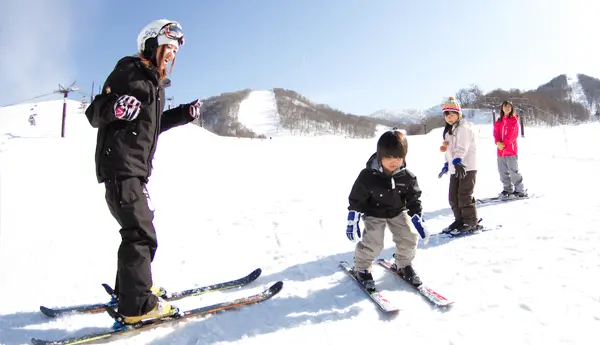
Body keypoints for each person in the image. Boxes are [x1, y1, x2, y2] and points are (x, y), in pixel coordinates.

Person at [84, 19, 202, 324]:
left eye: (175, 51)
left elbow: (153, 125)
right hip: (121, 167)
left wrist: (184, 114)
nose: (171, 55)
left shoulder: (152, 83)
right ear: (151, 44)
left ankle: (129, 291)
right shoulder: (130, 70)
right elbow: (94, 111)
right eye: (167, 48)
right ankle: (136, 306)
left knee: (137, 231)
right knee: (141, 234)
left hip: (132, 170)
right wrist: (115, 107)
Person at [346, 130, 428, 291]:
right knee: (374, 243)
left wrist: (417, 215)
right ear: (380, 156)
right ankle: (361, 268)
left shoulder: (407, 177)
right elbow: (356, 196)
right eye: (388, 157)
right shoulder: (368, 176)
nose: (393, 161)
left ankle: (403, 264)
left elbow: (413, 198)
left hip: (397, 211)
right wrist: (353, 215)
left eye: (398, 157)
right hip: (374, 213)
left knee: (409, 237)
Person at [437, 96, 481, 234]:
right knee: (453, 197)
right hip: (455, 168)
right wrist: (447, 163)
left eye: (452, 114)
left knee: (464, 196)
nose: (449, 117)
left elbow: (463, 147)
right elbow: (450, 151)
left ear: (458, 114)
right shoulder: (450, 131)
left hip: (466, 167)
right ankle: (460, 219)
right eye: (446, 114)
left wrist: (457, 160)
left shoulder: (464, 128)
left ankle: (470, 222)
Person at [494, 101, 527, 198]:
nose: (507, 108)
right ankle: (507, 189)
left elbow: (513, 134)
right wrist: (497, 142)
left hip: (510, 150)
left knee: (513, 172)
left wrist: (504, 143)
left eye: (509, 106)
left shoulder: (513, 120)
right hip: (500, 152)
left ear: (512, 108)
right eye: (505, 106)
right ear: (502, 108)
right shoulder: (499, 121)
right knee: (502, 172)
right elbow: (496, 133)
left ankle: (520, 190)